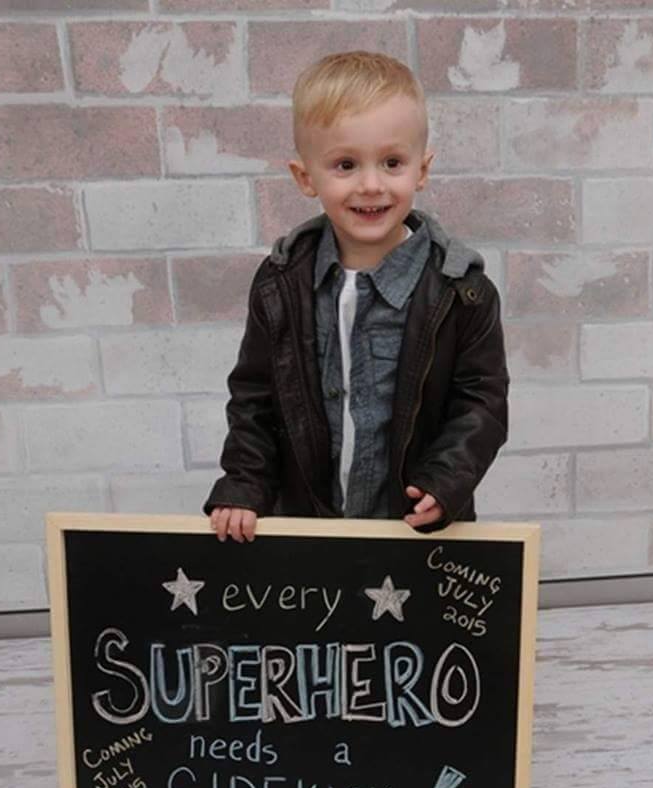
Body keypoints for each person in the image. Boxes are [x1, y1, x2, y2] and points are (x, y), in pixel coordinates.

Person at [205, 50, 508, 543]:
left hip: (413, 531)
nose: (371, 185)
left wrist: (445, 482)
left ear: (422, 169)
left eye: (392, 162)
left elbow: (482, 404)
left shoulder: (462, 293)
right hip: (308, 528)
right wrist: (244, 483)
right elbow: (254, 399)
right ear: (306, 177)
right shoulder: (281, 284)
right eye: (345, 164)